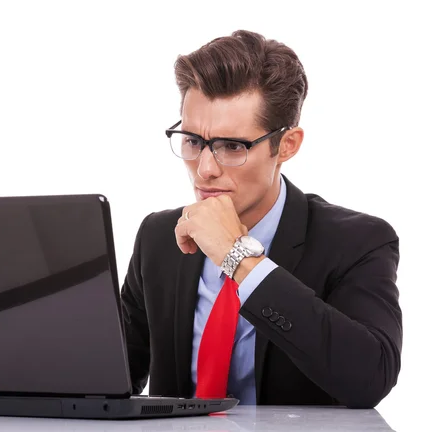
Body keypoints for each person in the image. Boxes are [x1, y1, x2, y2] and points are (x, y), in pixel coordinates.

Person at [120, 30, 401, 409]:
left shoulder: (358, 242)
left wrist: (237, 257)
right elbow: (114, 377)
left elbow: (370, 378)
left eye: (232, 146)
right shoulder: (158, 236)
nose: (205, 170)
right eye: (192, 141)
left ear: (286, 145)